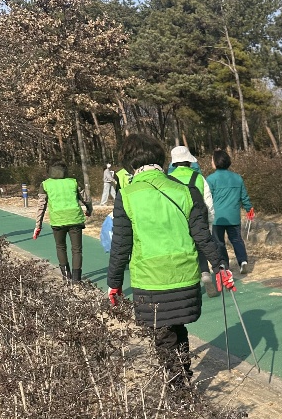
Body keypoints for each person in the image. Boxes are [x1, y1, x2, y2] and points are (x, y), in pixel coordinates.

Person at [107, 133, 231, 386]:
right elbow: (202, 235)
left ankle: (178, 390)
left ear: (130, 163)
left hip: (150, 280)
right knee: (177, 329)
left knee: (163, 335)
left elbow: (120, 245)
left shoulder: (127, 195)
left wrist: (114, 283)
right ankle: (183, 381)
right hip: (184, 276)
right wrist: (219, 265)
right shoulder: (186, 190)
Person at [167, 145, 218, 298]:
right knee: (201, 247)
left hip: (177, 221)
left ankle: (187, 284)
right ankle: (205, 274)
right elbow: (208, 203)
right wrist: (209, 224)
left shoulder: (168, 180)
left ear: (173, 163)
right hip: (199, 219)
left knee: (183, 251)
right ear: (190, 161)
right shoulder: (199, 178)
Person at [33, 161, 92, 282]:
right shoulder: (73, 182)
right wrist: (89, 209)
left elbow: (41, 206)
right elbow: (85, 198)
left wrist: (38, 225)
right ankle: (76, 280)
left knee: (60, 247)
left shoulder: (45, 184)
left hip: (57, 220)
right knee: (77, 250)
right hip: (75, 218)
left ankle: (66, 276)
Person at [206, 149, 253, 274]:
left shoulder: (210, 179)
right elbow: (244, 197)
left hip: (217, 217)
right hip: (233, 216)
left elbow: (207, 198)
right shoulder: (237, 178)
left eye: (212, 160)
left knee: (219, 242)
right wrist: (249, 209)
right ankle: (243, 261)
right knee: (237, 239)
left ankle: (224, 265)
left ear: (216, 162)